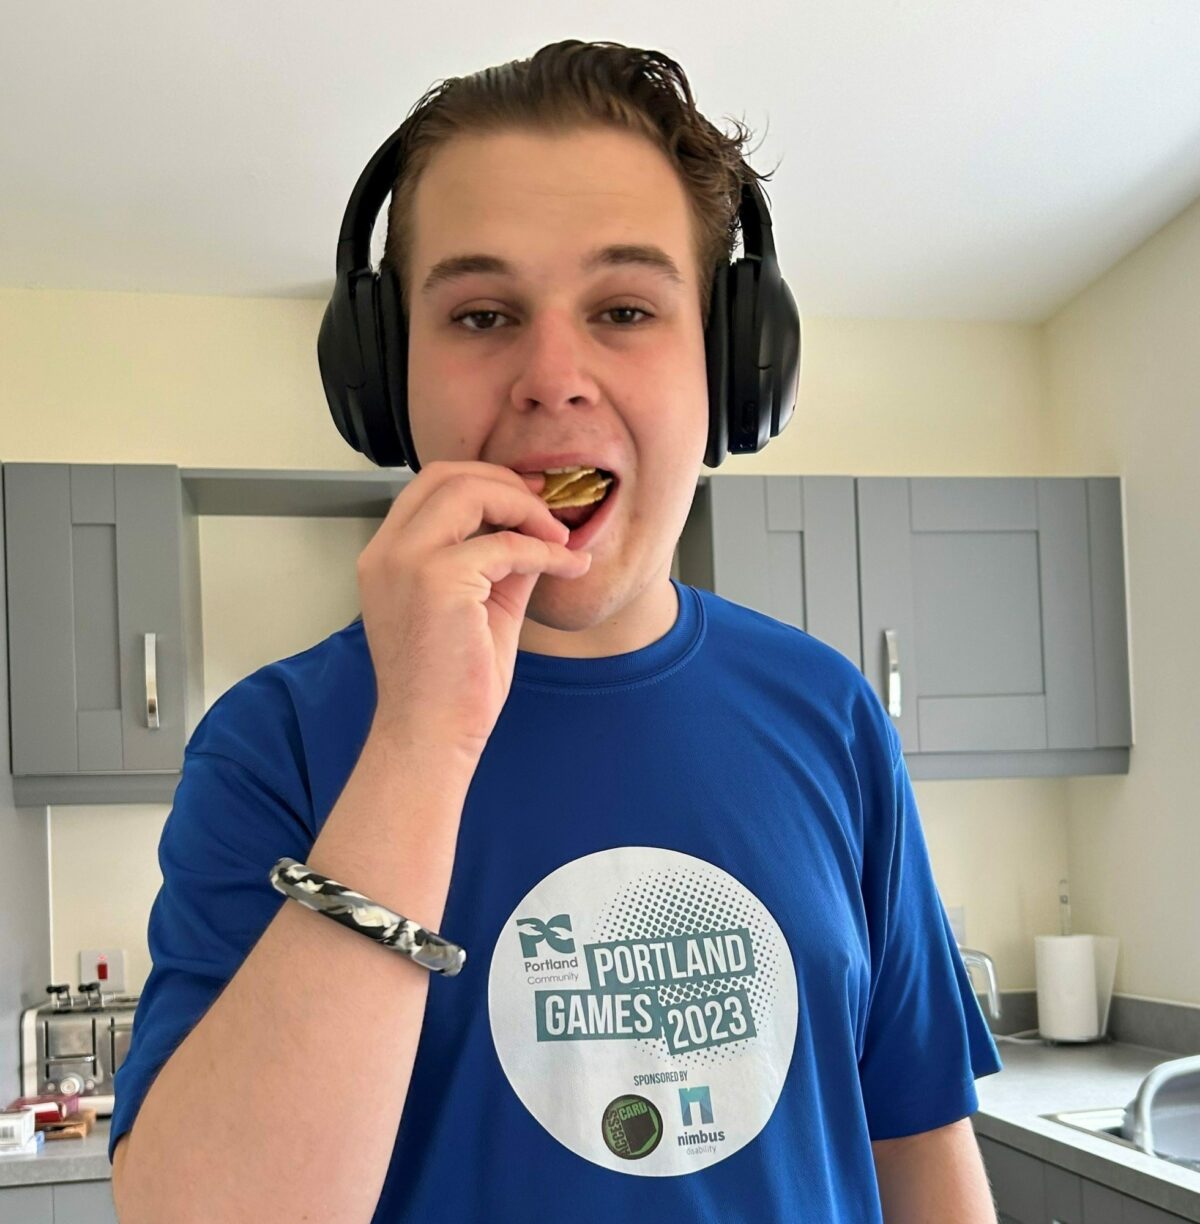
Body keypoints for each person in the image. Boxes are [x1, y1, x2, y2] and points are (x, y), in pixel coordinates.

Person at [110, 38, 1002, 1223]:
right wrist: (422, 742)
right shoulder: (276, 741)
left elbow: (921, 1146)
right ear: (387, 384)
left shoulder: (830, 714)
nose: (551, 376)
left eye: (625, 308)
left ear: (729, 374)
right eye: (482, 314)